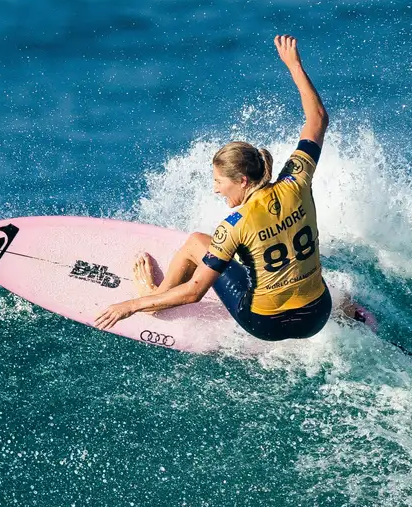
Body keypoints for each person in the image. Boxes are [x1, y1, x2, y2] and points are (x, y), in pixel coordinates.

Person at [95, 35, 335, 341]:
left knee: (196, 241)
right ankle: (347, 307)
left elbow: (194, 291)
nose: (216, 190)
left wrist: (131, 305)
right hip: (317, 315)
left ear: (242, 181)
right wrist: (294, 64)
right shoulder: (296, 181)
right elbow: (317, 118)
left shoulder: (233, 226)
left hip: (267, 325)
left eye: (219, 182)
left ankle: (155, 301)